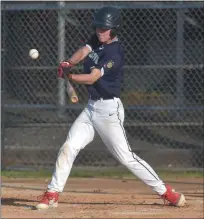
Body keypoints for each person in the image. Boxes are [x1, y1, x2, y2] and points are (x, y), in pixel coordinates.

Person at [36, 6, 186, 210]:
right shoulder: (97, 39)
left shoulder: (115, 52)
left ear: (114, 29)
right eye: (98, 28)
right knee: (69, 147)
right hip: (90, 109)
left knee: (126, 157)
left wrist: (70, 76)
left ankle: (166, 192)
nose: (100, 31)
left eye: (104, 29)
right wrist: (68, 62)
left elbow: (93, 77)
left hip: (109, 111)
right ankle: (52, 193)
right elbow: (84, 50)